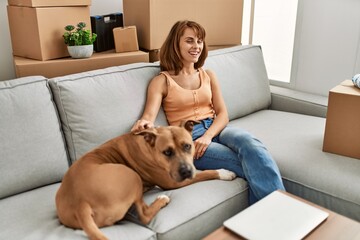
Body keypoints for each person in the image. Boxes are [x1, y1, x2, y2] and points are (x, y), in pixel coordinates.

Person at [131, 20, 285, 204]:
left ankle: (274, 210)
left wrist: (209, 136)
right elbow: (149, 116)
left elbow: (223, 114)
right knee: (247, 164)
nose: (196, 46)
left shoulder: (208, 75)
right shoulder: (161, 81)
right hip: (190, 139)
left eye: (199, 41)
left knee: (251, 145)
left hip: (216, 127)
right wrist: (144, 123)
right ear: (175, 43)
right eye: (189, 41)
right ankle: (278, 209)